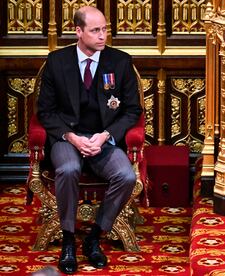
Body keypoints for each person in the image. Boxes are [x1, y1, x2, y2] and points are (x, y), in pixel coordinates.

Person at [37, 6, 142, 274]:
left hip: (102, 139)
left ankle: (95, 236)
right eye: (95, 30)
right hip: (67, 139)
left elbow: (132, 111)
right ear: (79, 31)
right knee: (69, 168)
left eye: (104, 29)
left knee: (127, 176)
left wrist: (106, 135)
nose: (102, 36)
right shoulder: (57, 62)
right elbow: (45, 112)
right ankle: (69, 241)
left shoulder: (119, 62)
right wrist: (71, 137)